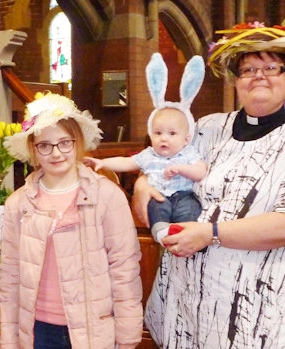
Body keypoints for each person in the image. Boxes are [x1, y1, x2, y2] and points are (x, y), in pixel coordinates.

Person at [133, 17, 285, 349]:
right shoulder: (208, 128)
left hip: (254, 303)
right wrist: (140, 186)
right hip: (195, 295)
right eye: (248, 69)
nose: (259, 76)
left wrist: (212, 233)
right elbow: (162, 160)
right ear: (235, 79)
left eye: (271, 67)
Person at [0, 93, 144, 349]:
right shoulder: (19, 203)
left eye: (64, 143)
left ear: (78, 143)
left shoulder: (105, 195)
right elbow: (9, 276)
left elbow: (124, 267)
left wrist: (127, 329)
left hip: (92, 322)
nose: (56, 153)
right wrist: (8, 336)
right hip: (41, 326)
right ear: (33, 149)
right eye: (45, 145)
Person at [85, 53, 207, 245]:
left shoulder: (188, 153)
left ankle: (184, 231)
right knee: (155, 207)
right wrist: (102, 162)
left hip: (183, 194)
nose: (163, 138)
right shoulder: (149, 155)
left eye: (172, 134)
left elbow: (201, 172)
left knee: (190, 207)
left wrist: (182, 169)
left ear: (186, 138)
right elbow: (126, 162)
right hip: (159, 196)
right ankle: (160, 231)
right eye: (158, 133)